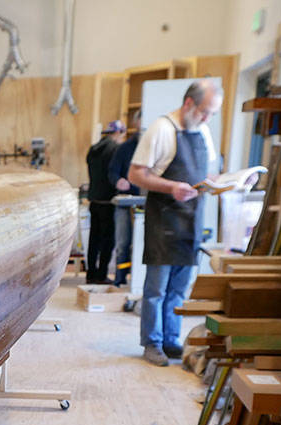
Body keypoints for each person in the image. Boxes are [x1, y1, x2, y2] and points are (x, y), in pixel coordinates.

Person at [128, 79, 222, 367]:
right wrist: (171, 187)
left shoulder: (202, 131)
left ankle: (171, 339)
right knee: (156, 289)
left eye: (212, 115)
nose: (207, 119)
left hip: (191, 219)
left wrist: (226, 183)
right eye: (204, 112)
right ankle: (152, 343)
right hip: (164, 219)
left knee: (179, 289)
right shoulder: (161, 129)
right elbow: (136, 174)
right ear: (188, 103)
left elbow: (210, 171)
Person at [83, 120, 125, 284]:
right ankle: (101, 275)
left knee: (94, 239)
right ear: (118, 133)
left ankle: (90, 273)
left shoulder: (92, 149)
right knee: (108, 240)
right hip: (108, 201)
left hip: (94, 200)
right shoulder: (115, 150)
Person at [107, 111, 142, 288]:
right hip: (124, 202)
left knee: (143, 244)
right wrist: (118, 180)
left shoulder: (159, 147)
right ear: (136, 124)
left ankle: (139, 280)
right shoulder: (125, 148)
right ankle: (120, 278)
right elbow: (112, 172)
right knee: (123, 242)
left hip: (148, 203)